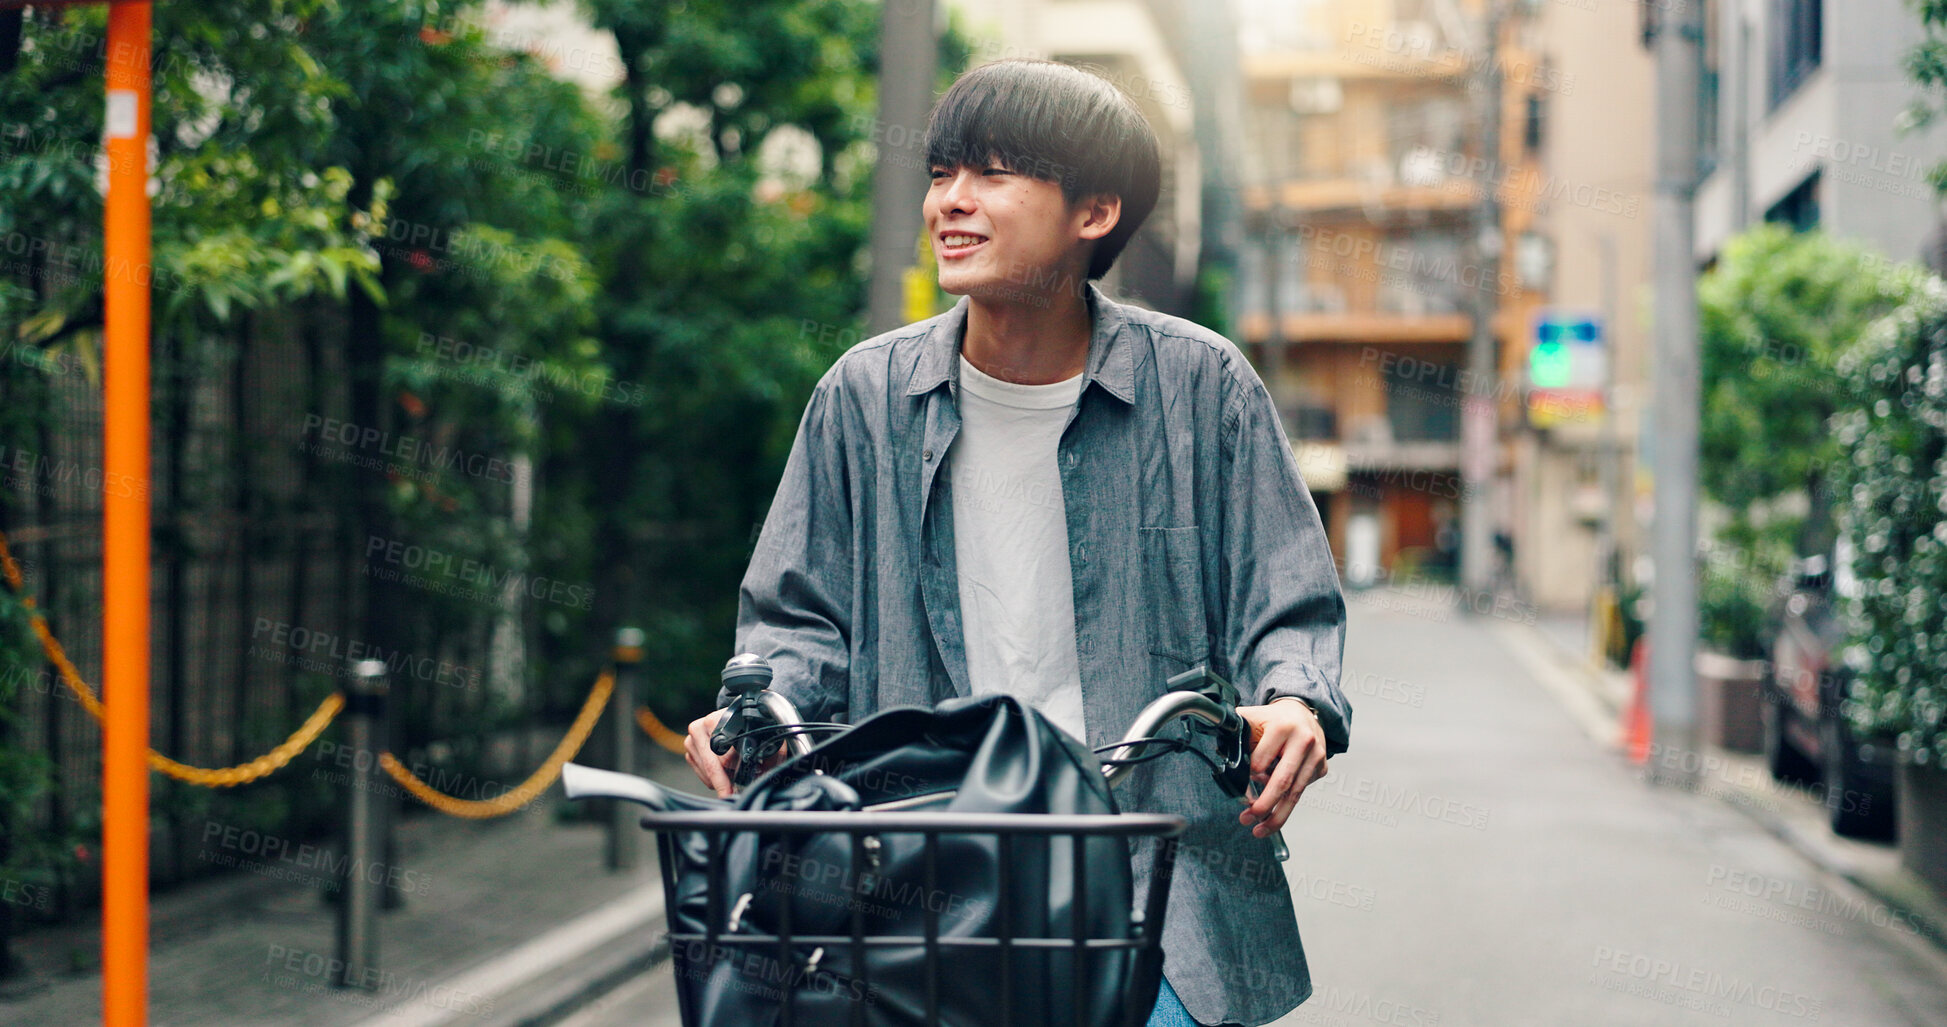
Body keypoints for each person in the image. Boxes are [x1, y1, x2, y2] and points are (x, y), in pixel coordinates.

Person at [685, 58, 1351, 1027]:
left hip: (1148, 876)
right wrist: (759, 706)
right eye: (941, 173)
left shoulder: (1202, 387)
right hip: (912, 876)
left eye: (992, 174)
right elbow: (798, 613)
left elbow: (1284, 598)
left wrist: (1292, 700)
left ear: (1094, 212)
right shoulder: (864, 397)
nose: (950, 201)